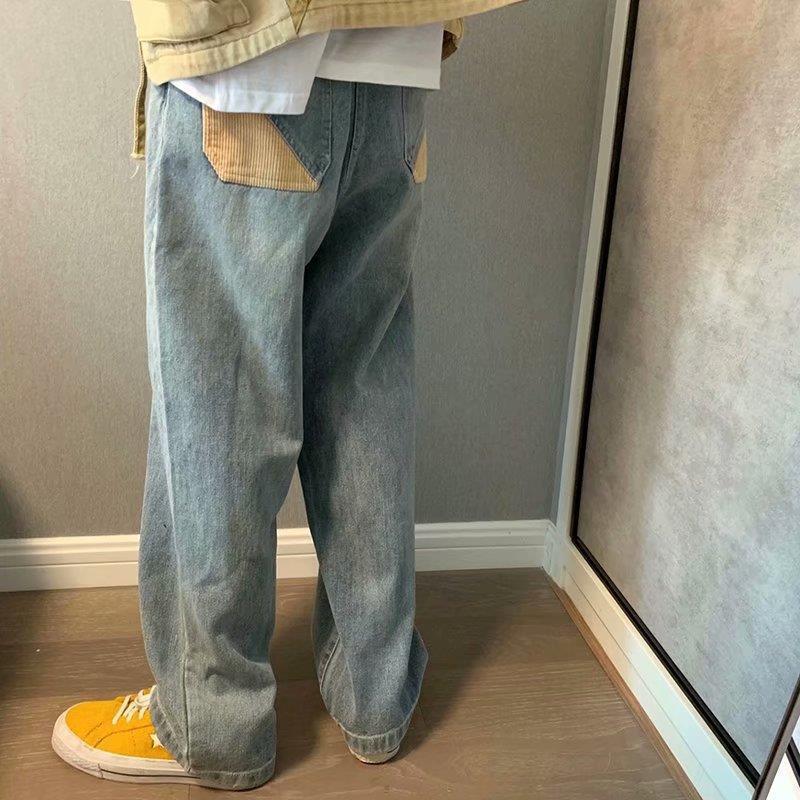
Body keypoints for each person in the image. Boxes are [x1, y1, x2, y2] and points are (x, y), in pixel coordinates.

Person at [51, 0, 521, 790]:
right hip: (397, 62)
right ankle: (377, 697)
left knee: (219, 411)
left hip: (246, 57)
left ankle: (215, 727)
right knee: (363, 393)